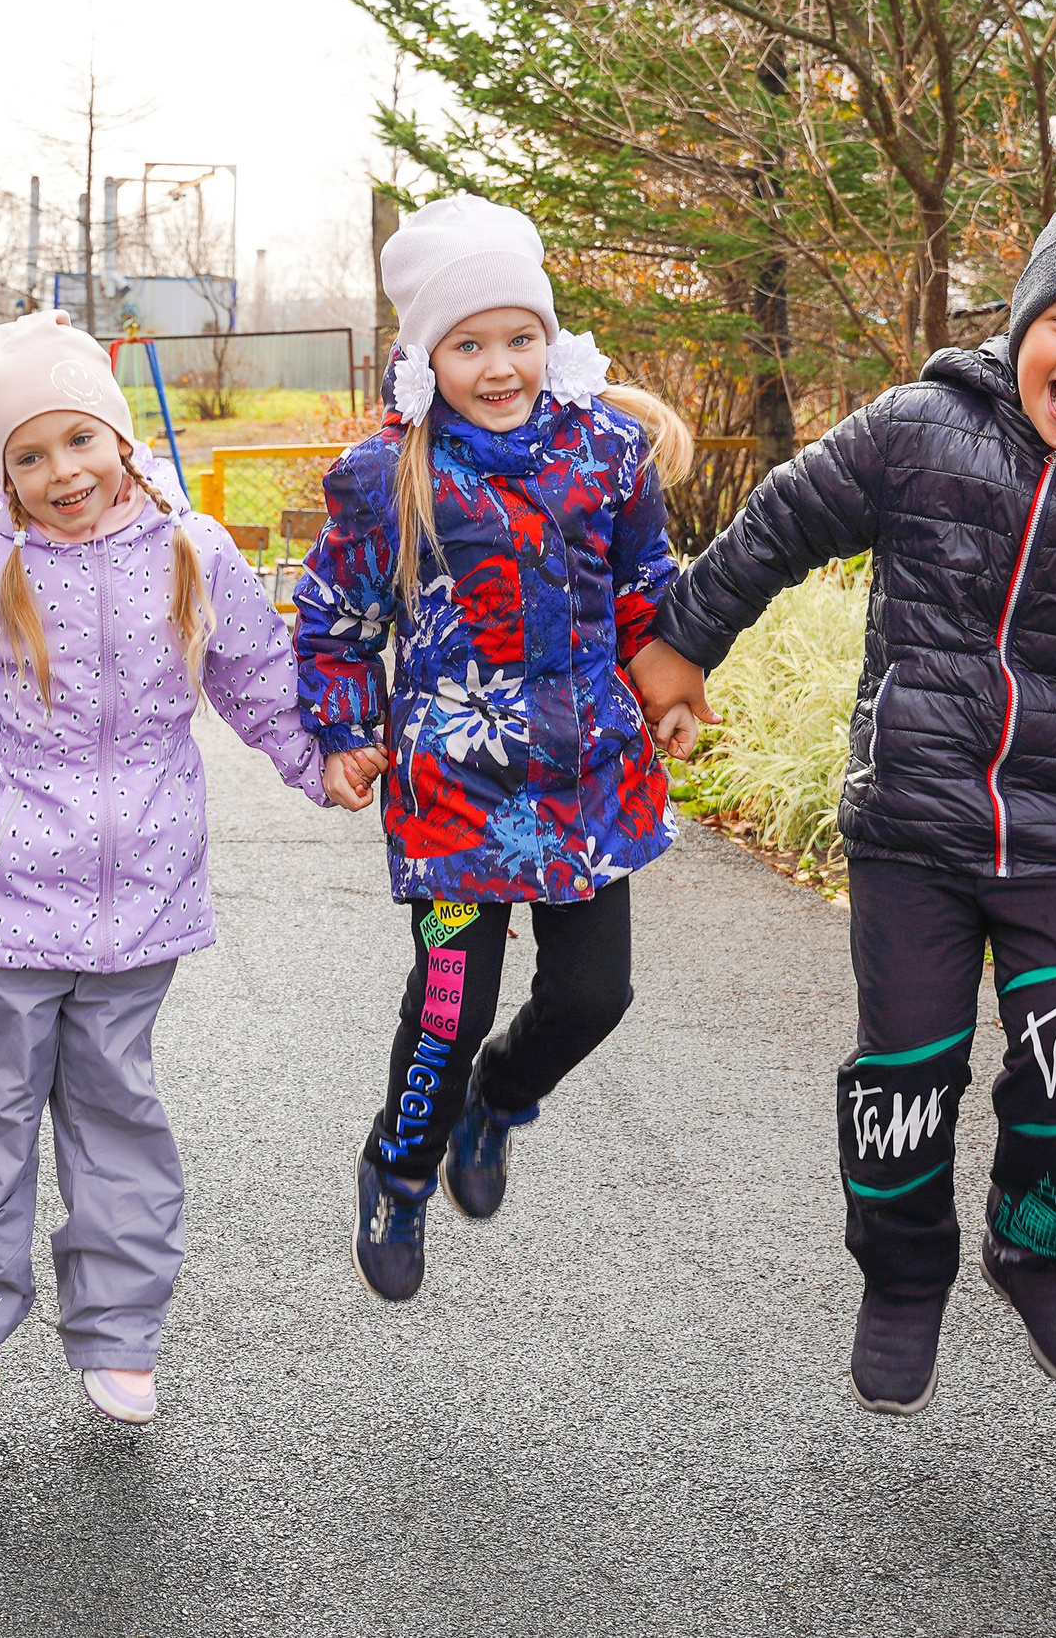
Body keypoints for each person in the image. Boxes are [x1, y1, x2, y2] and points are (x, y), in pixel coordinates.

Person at [629, 191, 1056, 1414]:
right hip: (913, 826)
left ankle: (1035, 1243)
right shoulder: (917, 426)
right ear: (1024, 319)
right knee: (907, 1070)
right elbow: (779, 523)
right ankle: (901, 1274)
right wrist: (681, 643)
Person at [0, 310, 331, 1425]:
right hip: (1, 901)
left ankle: (119, 1332)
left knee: (117, 1114)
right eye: (30, 454)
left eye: (80, 442)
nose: (62, 473)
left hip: (139, 900)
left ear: (122, 439)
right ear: (0, 470)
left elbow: (259, 679)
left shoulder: (196, 553)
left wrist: (318, 762)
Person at [292, 193, 695, 1304]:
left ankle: (500, 1103)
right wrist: (338, 734)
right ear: (427, 357)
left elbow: (644, 591)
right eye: (468, 345)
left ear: (549, 339)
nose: (499, 364)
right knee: (447, 1008)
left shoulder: (609, 452)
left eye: (519, 337)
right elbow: (332, 619)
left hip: (587, 789)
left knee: (591, 997)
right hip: (453, 802)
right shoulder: (388, 477)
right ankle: (398, 1167)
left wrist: (670, 685)